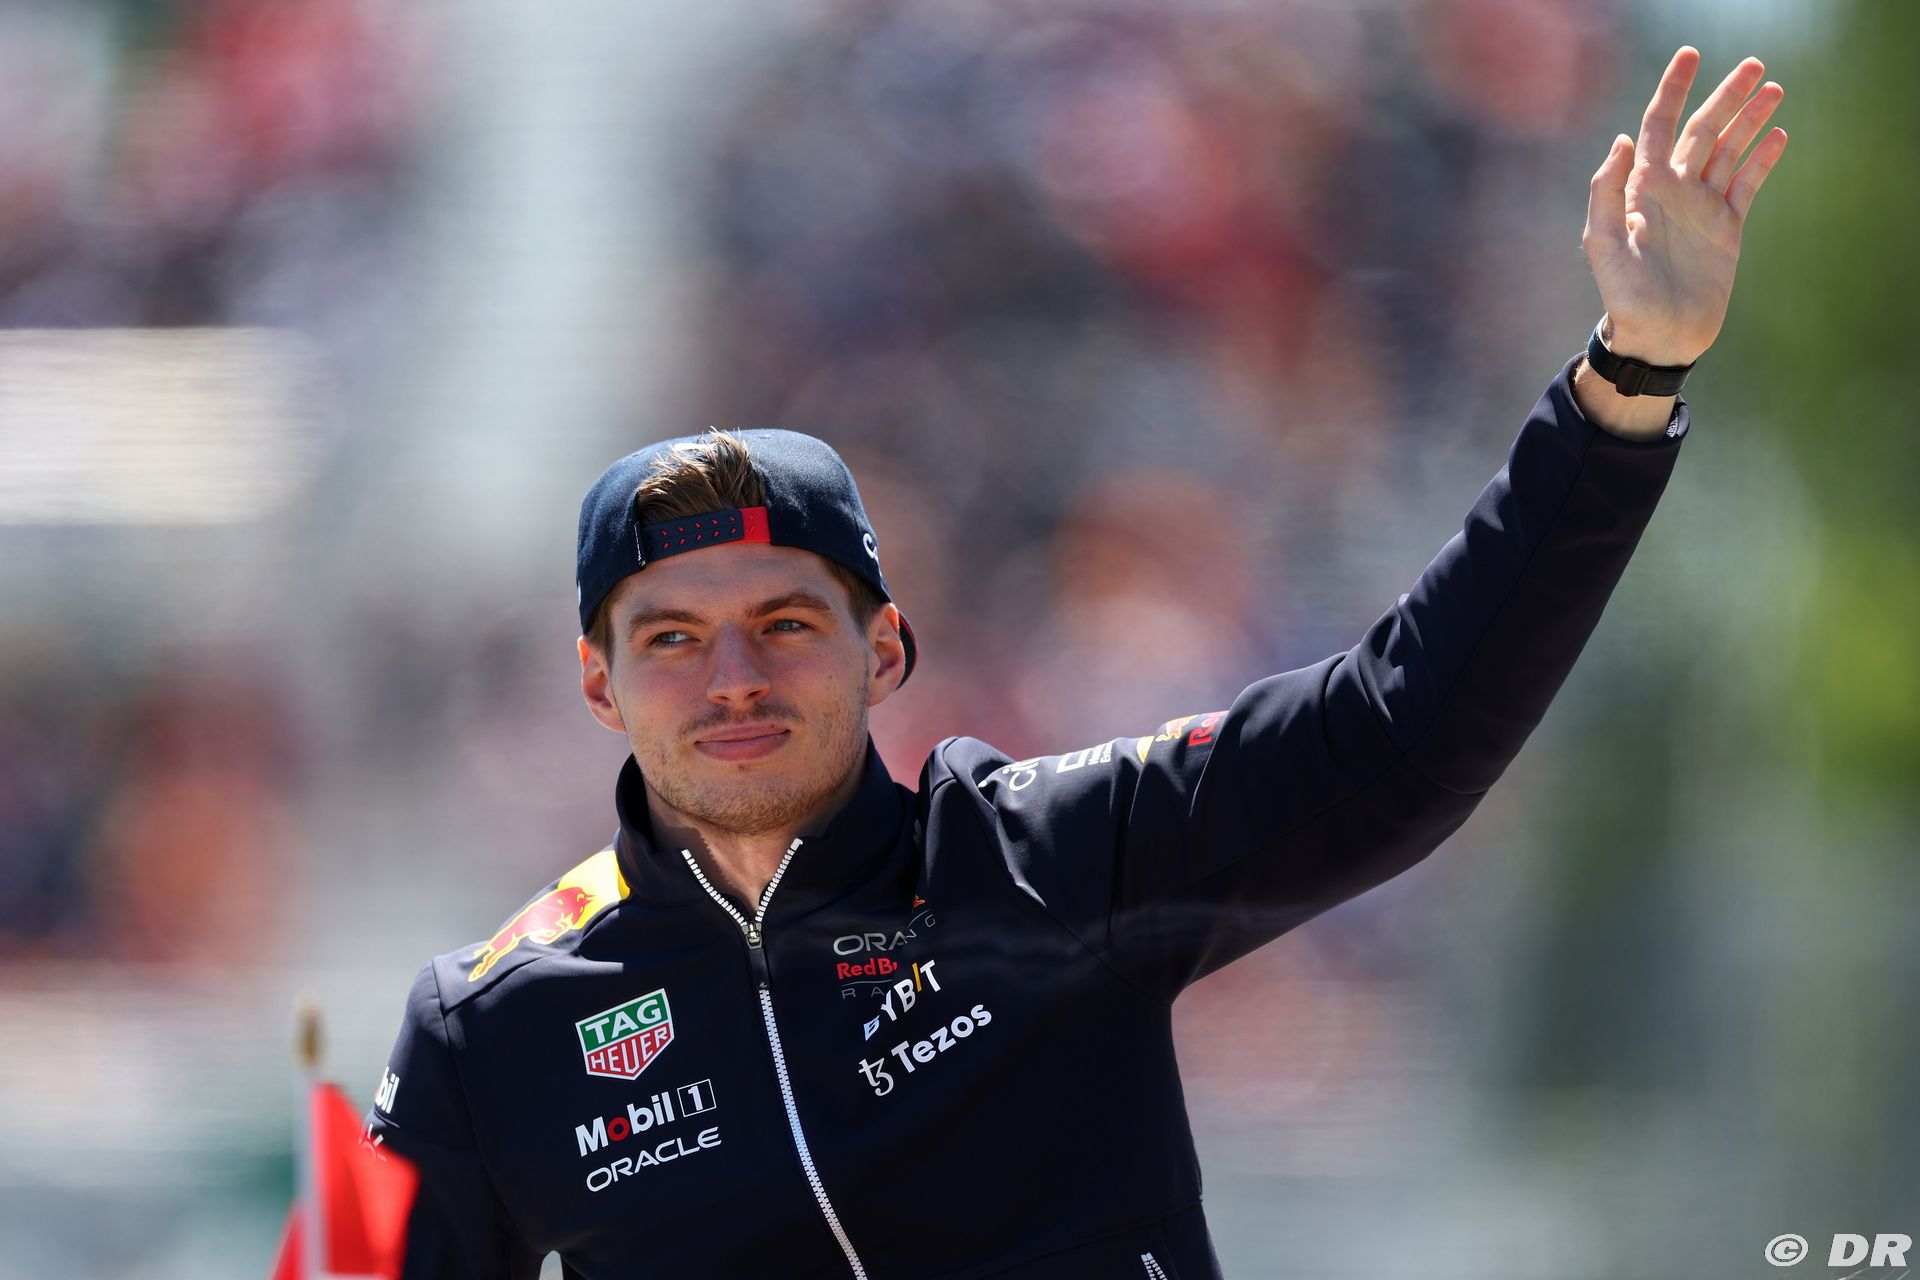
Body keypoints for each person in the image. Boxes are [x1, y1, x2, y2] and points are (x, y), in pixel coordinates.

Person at [364, 47, 1786, 1279]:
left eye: (786, 622)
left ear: (885, 649)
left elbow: (1400, 730)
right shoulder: (485, 1029)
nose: (733, 674)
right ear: (599, 684)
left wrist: (1627, 380)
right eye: (671, 637)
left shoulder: (1056, 861)